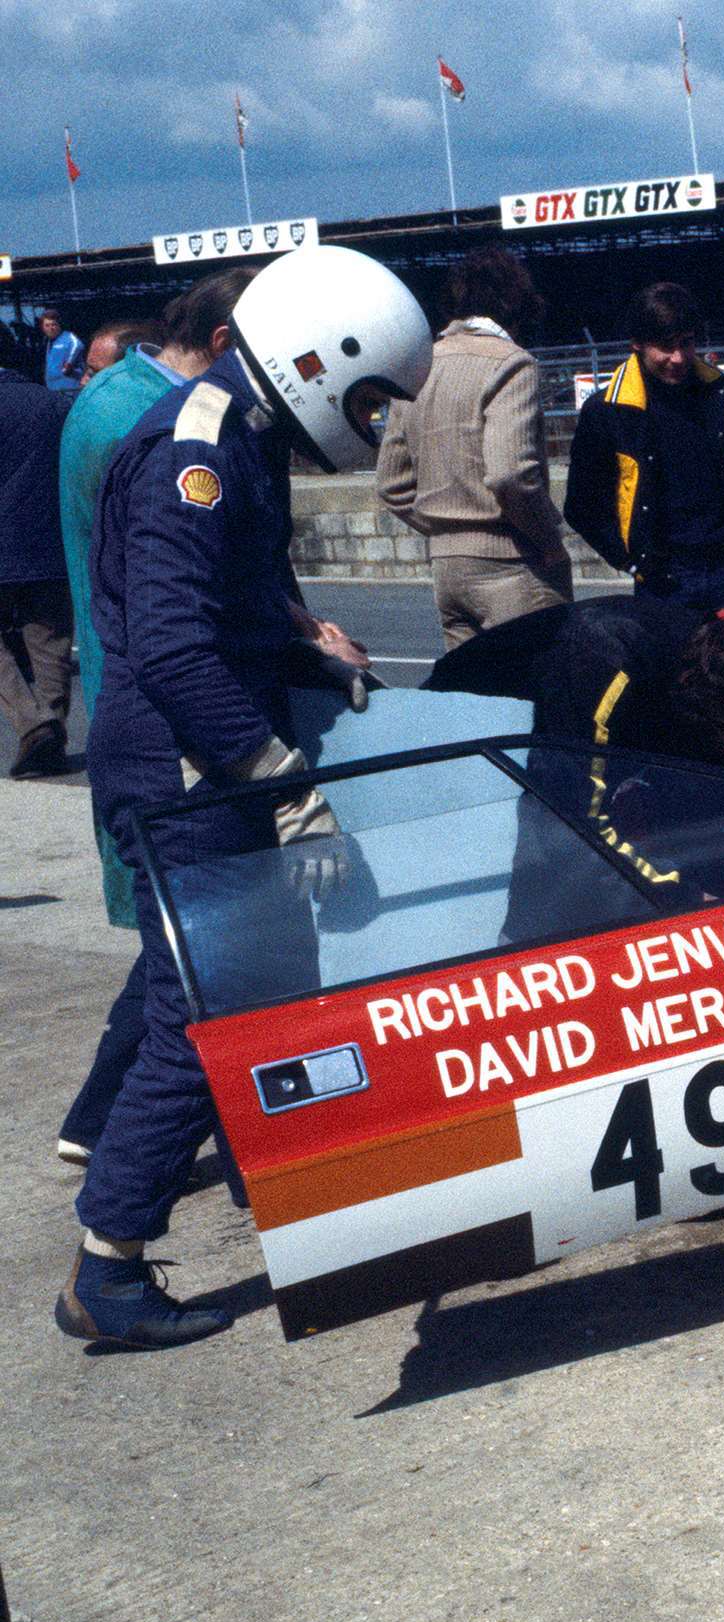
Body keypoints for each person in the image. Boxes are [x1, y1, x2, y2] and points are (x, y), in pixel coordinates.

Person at [59, 244, 429, 1350]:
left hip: (206, 754)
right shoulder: (197, 453)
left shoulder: (243, 434)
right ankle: (109, 1263)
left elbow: (231, 610)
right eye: (368, 396)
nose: (369, 423)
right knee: (201, 1011)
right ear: (320, 356)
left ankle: (285, 1180)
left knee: (273, 988)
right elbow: (171, 646)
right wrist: (282, 783)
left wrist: (309, 654)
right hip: (185, 765)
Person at [50, 279, 249, 1176]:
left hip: (148, 697)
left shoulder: (137, 407)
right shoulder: (168, 423)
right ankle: (114, 1181)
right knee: (193, 967)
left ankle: (106, 1131)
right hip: (161, 717)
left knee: (187, 955)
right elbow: (171, 609)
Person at [426, 597, 724, 935]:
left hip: (550, 747)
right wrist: (689, 899)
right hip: (449, 760)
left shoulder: (712, 662)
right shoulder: (603, 665)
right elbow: (566, 831)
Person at [376, 247, 574, 649]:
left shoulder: (418, 366)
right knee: (541, 695)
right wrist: (549, 545)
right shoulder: (512, 363)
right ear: (518, 306)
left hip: (446, 570)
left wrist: (449, 530)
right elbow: (510, 474)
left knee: (473, 700)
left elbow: (391, 484)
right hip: (514, 566)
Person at [563, 282, 724, 612]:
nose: (678, 358)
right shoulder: (606, 410)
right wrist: (629, 562)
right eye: (665, 347)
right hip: (662, 581)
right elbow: (581, 505)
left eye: (686, 344)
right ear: (637, 343)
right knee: (670, 666)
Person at [0, 361, 77, 778]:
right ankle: (52, 734)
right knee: (50, 640)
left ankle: (33, 725)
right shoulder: (53, 404)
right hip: (50, 541)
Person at [38, 310, 83, 394]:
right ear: (43, 328)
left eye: (53, 325)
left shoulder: (68, 337)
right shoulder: (48, 342)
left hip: (69, 389)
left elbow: (78, 345)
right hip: (52, 389)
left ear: (59, 325)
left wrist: (69, 363)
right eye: (47, 325)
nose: (51, 328)